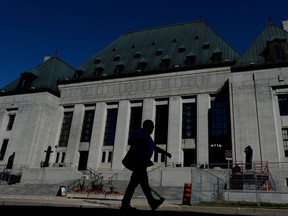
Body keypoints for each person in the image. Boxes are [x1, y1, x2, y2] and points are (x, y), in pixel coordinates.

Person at [121, 119, 172, 211]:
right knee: (137, 184)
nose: (153, 129)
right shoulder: (139, 133)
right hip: (137, 162)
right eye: (152, 127)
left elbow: (154, 147)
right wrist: (145, 158)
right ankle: (128, 204)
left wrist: (165, 153)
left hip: (141, 163)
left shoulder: (148, 137)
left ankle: (151, 202)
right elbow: (133, 141)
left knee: (140, 184)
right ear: (147, 126)